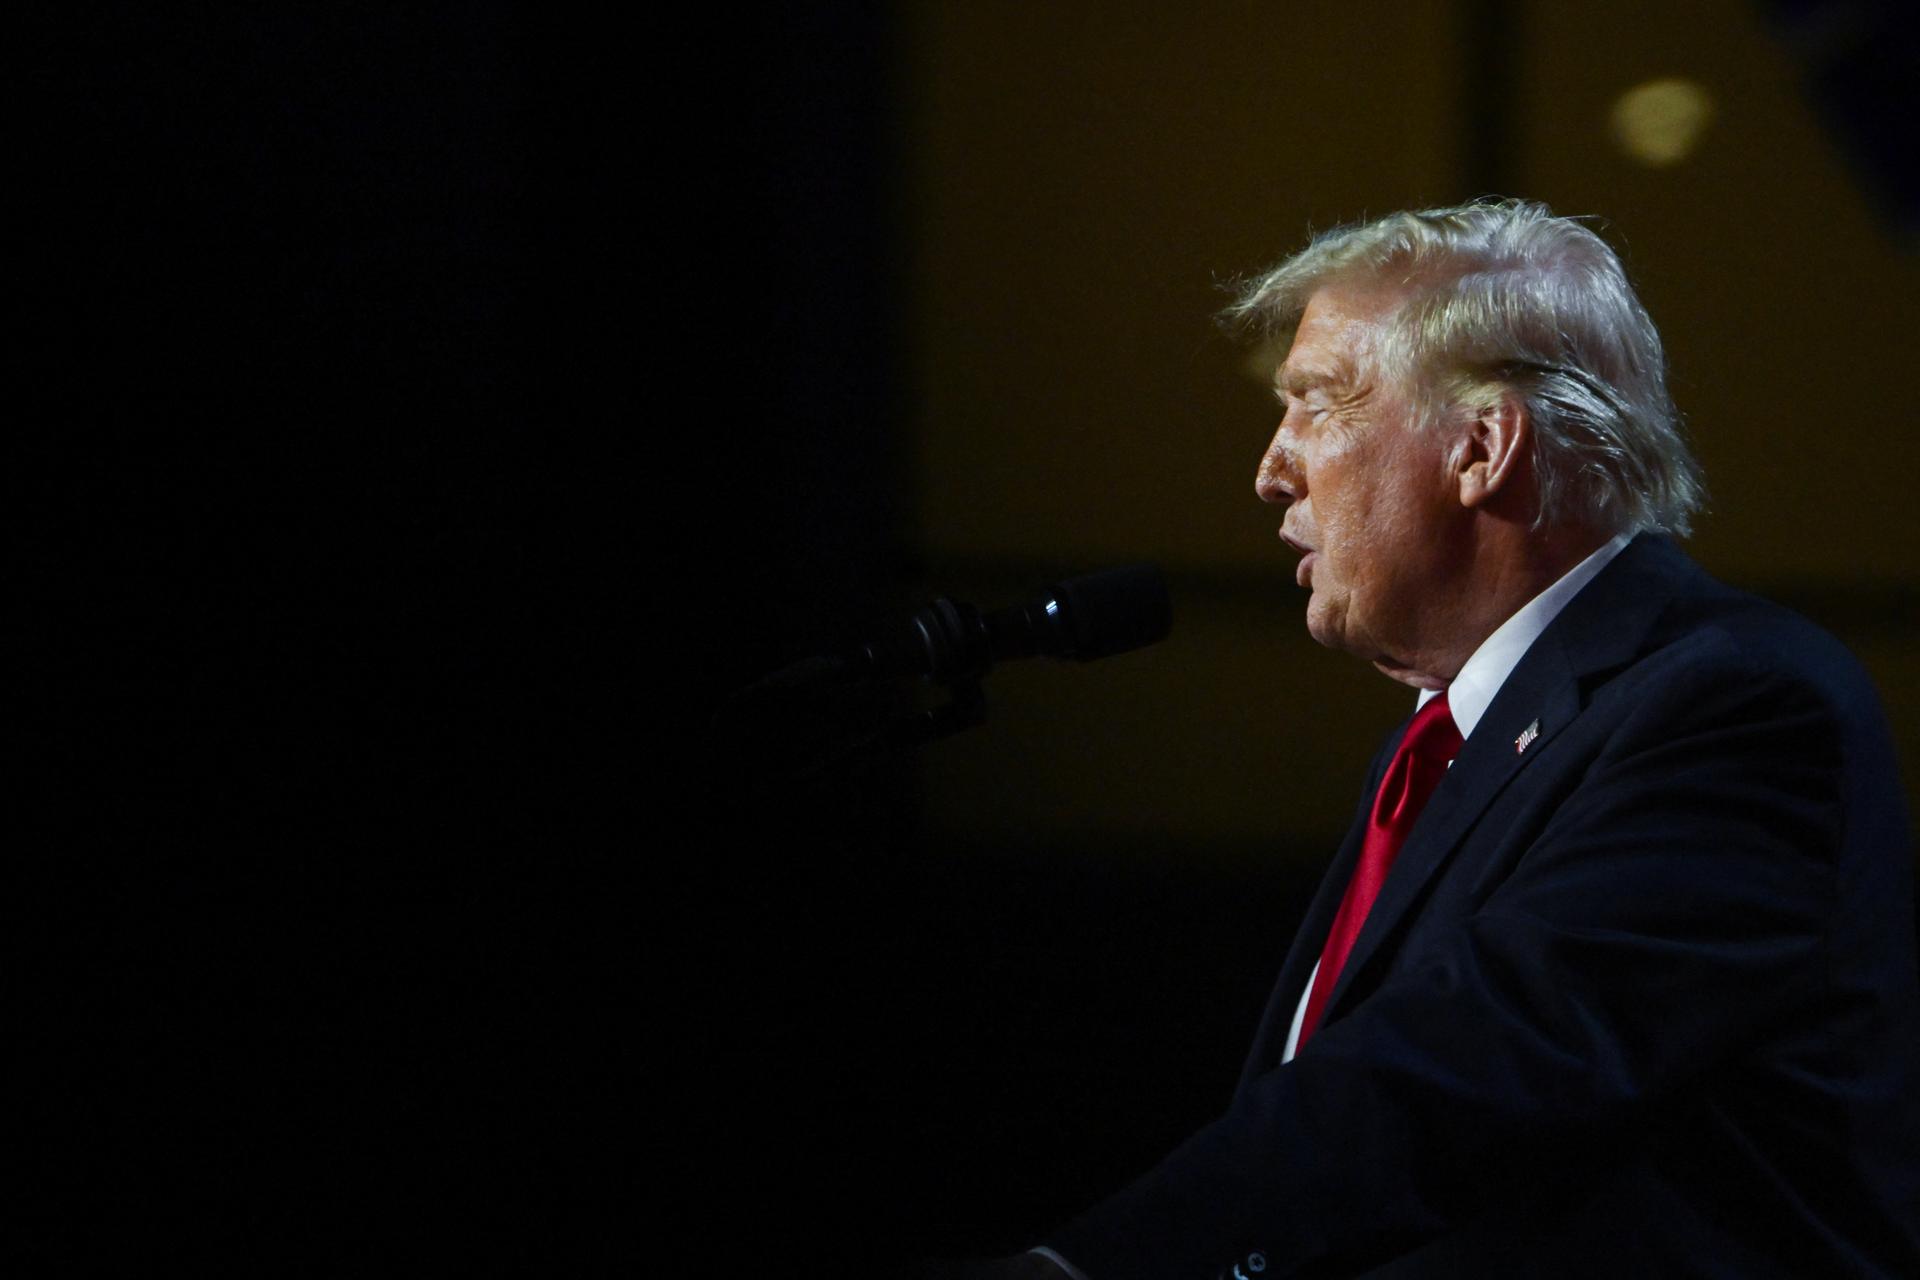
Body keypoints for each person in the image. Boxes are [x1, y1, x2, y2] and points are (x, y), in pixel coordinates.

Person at [939, 200, 1920, 1277]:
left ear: (1482, 446)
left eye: (1318, 404)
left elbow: (1475, 1058)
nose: (1273, 468)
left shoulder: (1735, 704)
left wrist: (1091, 1266)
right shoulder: (1457, 733)